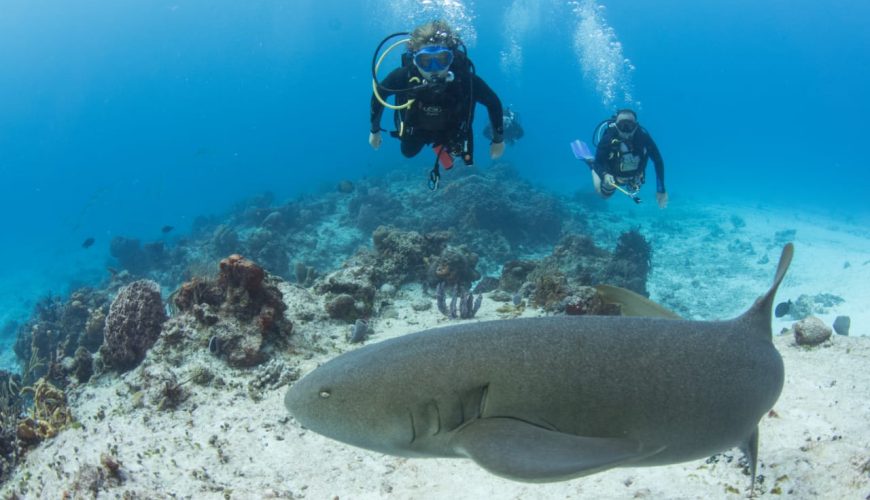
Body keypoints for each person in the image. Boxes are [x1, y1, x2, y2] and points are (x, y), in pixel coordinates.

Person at [369, 20, 505, 171]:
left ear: (451, 57)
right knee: (408, 152)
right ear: (415, 60)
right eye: (425, 61)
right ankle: (438, 147)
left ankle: (441, 147)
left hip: (451, 131)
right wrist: (374, 131)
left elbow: (493, 102)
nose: (434, 70)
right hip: (415, 129)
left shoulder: (465, 80)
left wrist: (498, 140)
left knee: (462, 156)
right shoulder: (403, 76)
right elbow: (380, 93)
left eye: (442, 60)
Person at [588, 109, 668, 208]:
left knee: (634, 189)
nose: (625, 130)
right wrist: (604, 175)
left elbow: (658, 160)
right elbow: (598, 162)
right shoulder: (608, 138)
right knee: (604, 196)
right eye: (622, 126)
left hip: (634, 175)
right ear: (616, 125)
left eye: (629, 126)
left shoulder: (644, 138)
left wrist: (661, 189)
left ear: (636, 126)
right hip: (612, 175)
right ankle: (590, 166)